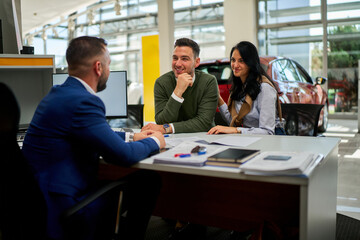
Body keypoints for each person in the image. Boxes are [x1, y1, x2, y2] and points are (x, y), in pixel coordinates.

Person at [22, 36, 165, 240]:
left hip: (40, 202)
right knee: (147, 180)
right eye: (109, 64)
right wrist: (155, 141)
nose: (109, 69)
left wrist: (132, 136)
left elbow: (88, 134)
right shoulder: (84, 101)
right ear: (98, 67)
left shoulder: (58, 93)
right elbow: (123, 156)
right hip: (67, 205)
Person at [141, 38, 218, 134]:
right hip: (173, 141)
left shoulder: (208, 81)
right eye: (175, 58)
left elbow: (204, 123)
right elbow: (161, 121)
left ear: (197, 62)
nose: (177, 64)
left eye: (184, 59)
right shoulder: (161, 83)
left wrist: (168, 128)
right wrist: (178, 92)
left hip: (205, 139)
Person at [208, 41, 278, 135]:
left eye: (241, 61)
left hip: (262, 144)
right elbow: (233, 121)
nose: (235, 65)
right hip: (244, 141)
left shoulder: (264, 88)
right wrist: (219, 99)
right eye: (233, 60)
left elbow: (267, 131)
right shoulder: (240, 87)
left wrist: (236, 130)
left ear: (251, 63)